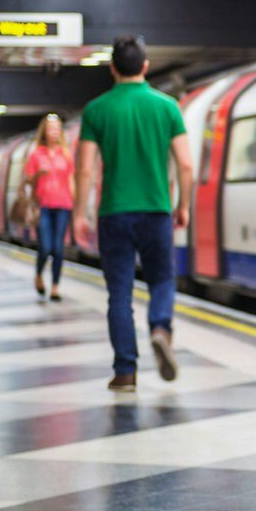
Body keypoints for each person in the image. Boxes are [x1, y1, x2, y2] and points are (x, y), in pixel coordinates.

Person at [73, 36, 193, 393]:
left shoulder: (96, 110)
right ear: (146, 66)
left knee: (119, 294)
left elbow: (84, 169)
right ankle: (160, 328)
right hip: (156, 210)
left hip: (114, 213)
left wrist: (80, 212)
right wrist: (183, 205)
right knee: (162, 280)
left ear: (112, 68)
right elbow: (186, 165)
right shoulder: (168, 107)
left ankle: (125, 371)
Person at [24, 114, 77, 300]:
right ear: (44, 131)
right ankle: (38, 274)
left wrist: (75, 205)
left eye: (57, 129)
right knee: (45, 247)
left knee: (58, 248)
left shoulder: (66, 154)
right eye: (51, 128)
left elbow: (71, 179)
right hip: (43, 205)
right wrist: (38, 174)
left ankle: (55, 286)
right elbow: (28, 179)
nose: (54, 132)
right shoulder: (36, 154)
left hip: (63, 204)